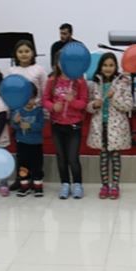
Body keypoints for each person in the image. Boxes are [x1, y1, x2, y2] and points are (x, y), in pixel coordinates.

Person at [43, 49, 89, 199]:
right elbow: (45, 100)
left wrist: (72, 101)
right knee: (61, 157)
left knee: (73, 157)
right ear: (56, 63)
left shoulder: (80, 81)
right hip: (57, 125)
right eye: (61, 62)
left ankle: (77, 184)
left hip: (74, 125)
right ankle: (65, 184)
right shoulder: (52, 81)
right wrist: (52, 107)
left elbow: (83, 103)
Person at [86, 53, 133, 200]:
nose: (108, 68)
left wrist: (114, 98)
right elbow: (88, 106)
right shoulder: (94, 84)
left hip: (116, 126)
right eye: (105, 65)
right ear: (100, 66)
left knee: (116, 157)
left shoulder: (122, 83)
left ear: (116, 67)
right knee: (103, 157)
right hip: (100, 126)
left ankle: (115, 186)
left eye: (111, 65)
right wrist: (94, 105)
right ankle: (105, 185)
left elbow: (128, 106)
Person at [7, 39, 48, 191]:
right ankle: (21, 179)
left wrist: (44, 112)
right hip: (17, 111)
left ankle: (35, 179)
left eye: (27, 51)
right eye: (20, 51)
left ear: (33, 53)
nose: (24, 54)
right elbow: (8, 92)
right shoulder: (11, 71)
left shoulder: (39, 70)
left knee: (34, 150)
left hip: (34, 111)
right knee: (21, 150)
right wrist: (11, 114)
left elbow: (44, 91)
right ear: (15, 54)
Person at [11, 83, 45, 197]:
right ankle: (24, 186)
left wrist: (30, 126)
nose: (28, 101)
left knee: (37, 165)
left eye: (31, 98)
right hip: (22, 143)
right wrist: (16, 122)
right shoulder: (17, 111)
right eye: (25, 98)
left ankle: (38, 187)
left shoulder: (38, 111)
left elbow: (41, 125)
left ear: (35, 98)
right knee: (23, 166)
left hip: (36, 144)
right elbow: (13, 126)